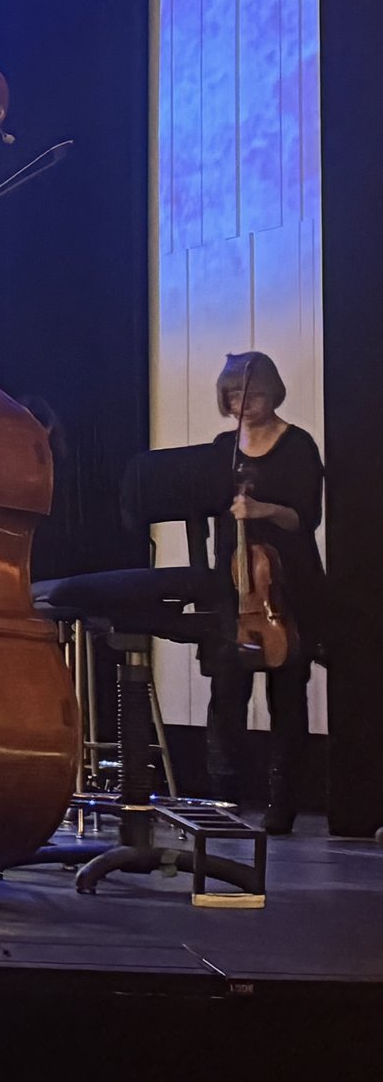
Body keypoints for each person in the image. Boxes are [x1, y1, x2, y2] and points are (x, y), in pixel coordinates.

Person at [205, 351, 327, 833]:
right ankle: (222, 795)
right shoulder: (222, 448)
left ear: (272, 392)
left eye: (252, 395)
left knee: (286, 694)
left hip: (286, 587)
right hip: (233, 587)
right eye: (233, 396)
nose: (242, 404)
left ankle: (283, 802)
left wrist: (263, 510)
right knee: (226, 691)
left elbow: (306, 518)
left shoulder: (298, 446)